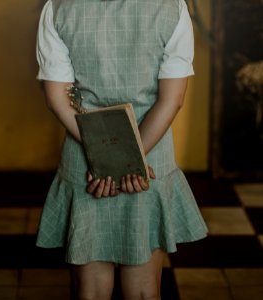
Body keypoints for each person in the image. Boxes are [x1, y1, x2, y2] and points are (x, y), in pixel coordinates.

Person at [36, 0, 208, 299]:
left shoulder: (59, 7)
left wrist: (108, 158)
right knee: (143, 290)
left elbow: (57, 100)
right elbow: (172, 100)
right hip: (148, 157)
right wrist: (130, 161)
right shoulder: (172, 8)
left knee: (89, 292)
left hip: (86, 159)